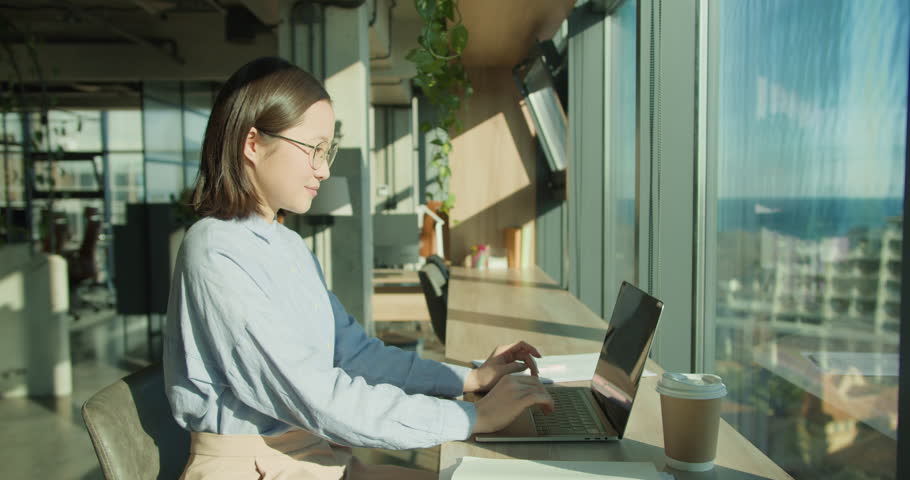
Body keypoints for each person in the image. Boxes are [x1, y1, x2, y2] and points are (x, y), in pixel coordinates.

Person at [163, 56, 554, 480]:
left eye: (327, 151)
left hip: (310, 457)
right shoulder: (214, 250)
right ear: (253, 143)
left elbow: (354, 355)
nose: (325, 169)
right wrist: (469, 419)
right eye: (314, 149)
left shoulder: (288, 245)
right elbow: (315, 397)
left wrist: (469, 379)